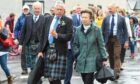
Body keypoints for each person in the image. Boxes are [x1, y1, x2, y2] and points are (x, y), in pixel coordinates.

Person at [38, 1, 73, 84]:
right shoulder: (47, 19)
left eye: (61, 9)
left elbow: (69, 36)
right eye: (57, 9)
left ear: (64, 10)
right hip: (48, 49)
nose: (59, 11)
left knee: (55, 77)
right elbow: (42, 36)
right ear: (54, 10)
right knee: (50, 77)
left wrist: (57, 35)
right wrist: (40, 51)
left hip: (59, 51)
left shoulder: (67, 20)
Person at [72, 9, 108, 84]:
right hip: (81, 60)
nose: (83, 19)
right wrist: (77, 53)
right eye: (82, 17)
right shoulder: (78, 30)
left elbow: (101, 45)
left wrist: (104, 58)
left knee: (88, 81)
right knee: (85, 80)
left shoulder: (96, 29)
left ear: (90, 18)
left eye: (86, 17)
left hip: (92, 60)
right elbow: (75, 44)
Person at [102, 4, 129, 79]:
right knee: (110, 55)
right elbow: (102, 30)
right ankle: (112, 70)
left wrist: (126, 41)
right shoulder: (106, 18)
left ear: (115, 9)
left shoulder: (122, 18)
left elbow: (125, 31)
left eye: (110, 8)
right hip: (108, 39)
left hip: (118, 39)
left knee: (117, 55)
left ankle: (116, 72)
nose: (109, 10)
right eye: (108, 9)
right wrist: (102, 41)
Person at [18, 1, 45, 74]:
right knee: (29, 63)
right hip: (28, 43)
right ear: (32, 9)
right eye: (35, 8)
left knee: (36, 64)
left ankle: (35, 77)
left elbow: (45, 34)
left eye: (38, 8)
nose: (37, 10)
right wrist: (20, 44)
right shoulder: (28, 18)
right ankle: (33, 76)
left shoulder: (44, 18)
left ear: (41, 9)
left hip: (39, 44)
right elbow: (23, 32)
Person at [64, 5, 81, 84]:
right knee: (68, 67)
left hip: (76, 49)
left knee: (80, 66)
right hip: (67, 50)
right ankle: (67, 82)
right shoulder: (62, 28)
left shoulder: (76, 29)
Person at [13, 5, 32, 74]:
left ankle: (33, 69)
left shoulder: (32, 17)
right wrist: (15, 38)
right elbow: (16, 29)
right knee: (23, 54)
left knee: (32, 53)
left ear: (29, 10)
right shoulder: (20, 18)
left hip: (31, 38)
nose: (25, 10)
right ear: (22, 10)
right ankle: (24, 69)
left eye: (27, 9)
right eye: (24, 9)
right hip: (22, 39)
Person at [0, 15, 13, 84]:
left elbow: (5, 37)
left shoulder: (3, 29)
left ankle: (9, 77)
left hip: (2, 51)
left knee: (4, 66)